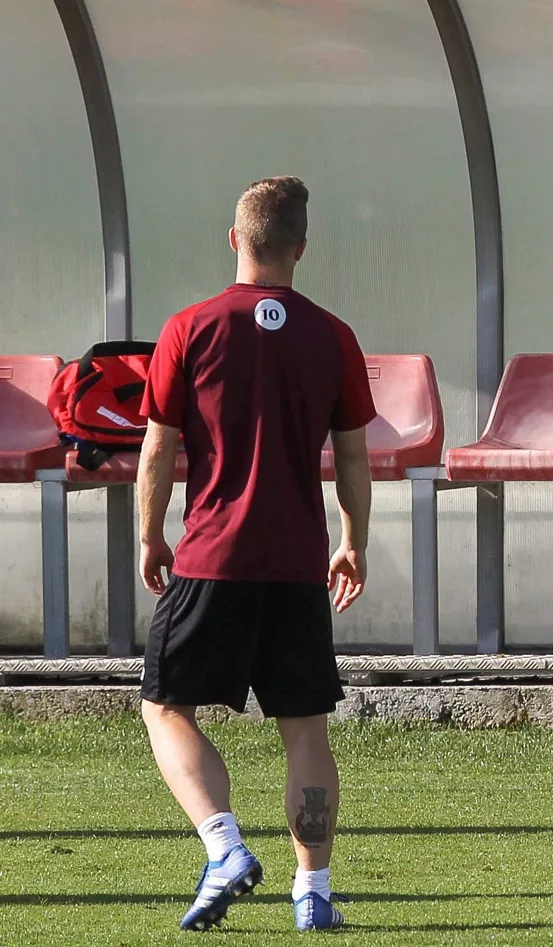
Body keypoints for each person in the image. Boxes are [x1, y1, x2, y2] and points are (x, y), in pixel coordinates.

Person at [136, 176, 376, 930]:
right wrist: (353, 541)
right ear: (301, 247)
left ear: (235, 239)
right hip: (299, 561)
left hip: (213, 557)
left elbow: (158, 447)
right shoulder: (333, 335)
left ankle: (224, 844)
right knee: (304, 726)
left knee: (164, 705)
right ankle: (314, 891)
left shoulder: (190, 328)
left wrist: (149, 532)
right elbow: (355, 458)